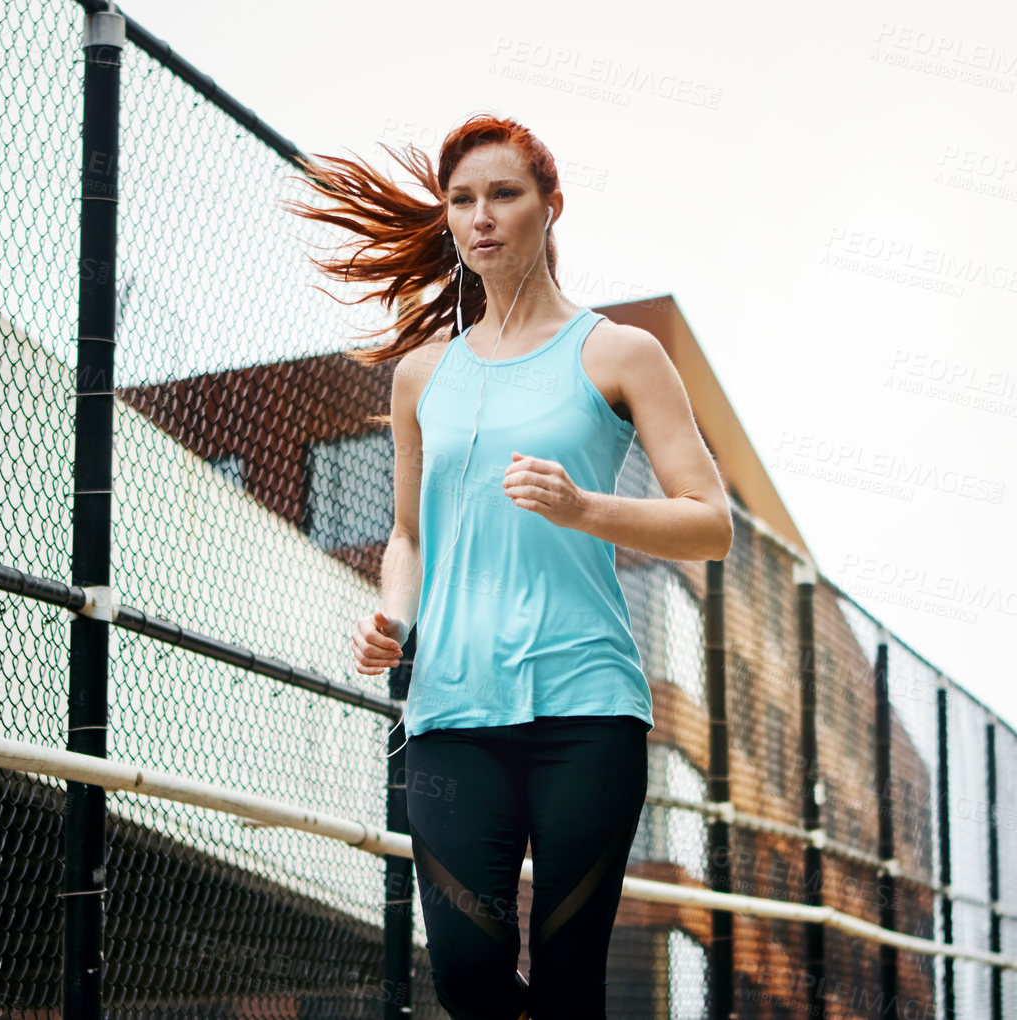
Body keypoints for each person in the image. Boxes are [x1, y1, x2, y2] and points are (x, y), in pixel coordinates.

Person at [284, 113, 731, 1019]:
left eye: (504, 194)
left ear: (550, 207)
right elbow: (408, 537)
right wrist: (392, 621)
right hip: (451, 714)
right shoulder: (422, 375)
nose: (481, 216)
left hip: (588, 712)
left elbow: (710, 524)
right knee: (466, 975)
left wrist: (584, 508)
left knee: (570, 984)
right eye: (462, 200)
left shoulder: (618, 352)